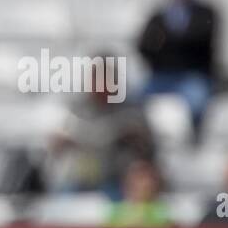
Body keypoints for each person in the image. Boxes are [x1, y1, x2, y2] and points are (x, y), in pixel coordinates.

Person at [45, 53, 156, 197]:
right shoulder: (75, 110)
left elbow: (149, 151)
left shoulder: (132, 111)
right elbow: (55, 146)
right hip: (78, 181)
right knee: (60, 197)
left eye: (106, 77)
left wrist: (134, 140)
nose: (100, 83)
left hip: (117, 182)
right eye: (95, 77)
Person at [136, 0, 218, 139]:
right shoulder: (158, 15)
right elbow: (143, 47)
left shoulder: (205, 11)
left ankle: (194, 142)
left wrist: (165, 42)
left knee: (197, 103)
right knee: (132, 99)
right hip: (161, 77)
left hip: (193, 76)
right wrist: (174, 43)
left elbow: (201, 43)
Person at [106, 159, 173, 227]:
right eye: (137, 180)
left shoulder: (162, 211)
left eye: (145, 182)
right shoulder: (116, 211)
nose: (140, 185)